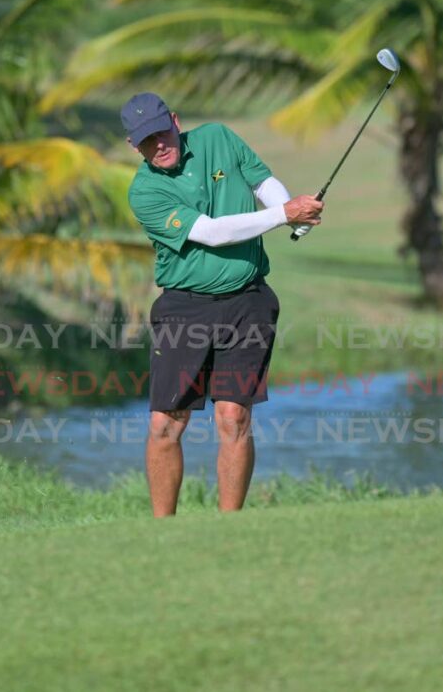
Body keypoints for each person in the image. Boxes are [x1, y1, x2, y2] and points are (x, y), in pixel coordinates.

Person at [122, 92, 324, 517]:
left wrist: (285, 208)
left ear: (174, 121)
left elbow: (261, 181)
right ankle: (163, 529)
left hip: (248, 301)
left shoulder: (219, 138)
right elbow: (212, 232)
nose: (157, 145)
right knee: (166, 424)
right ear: (132, 145)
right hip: (184, 309)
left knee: (233, 417)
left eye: (161, 133)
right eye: (145, 141)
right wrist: (284, 215)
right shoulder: (145, 191)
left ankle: (228, 527)